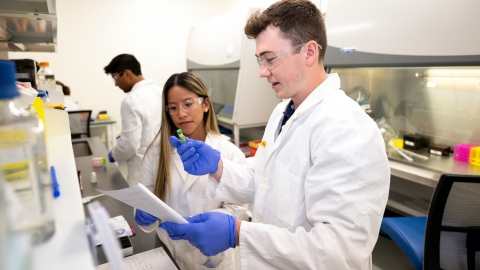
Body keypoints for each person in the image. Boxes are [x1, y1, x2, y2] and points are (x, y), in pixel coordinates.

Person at [160, 1, 391, 269]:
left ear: (309, 52)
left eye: (270, 59)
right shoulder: (284, 112)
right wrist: (219, 168)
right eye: (260, 60)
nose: (262, 72)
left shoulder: (346, 128)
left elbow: (339, 252)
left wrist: (238, 233)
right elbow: (266, 180)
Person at [134, 72, 247, 270]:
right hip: (167, 253)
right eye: (173, 108)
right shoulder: (156, 152)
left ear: (205, 104)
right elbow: (146, 196)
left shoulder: (229, 152)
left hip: (212, 258)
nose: (181, 114)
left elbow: (239, 207)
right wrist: (142, 213)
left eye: (188, 104)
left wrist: (208, 224)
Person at [104, 54, 162, 186]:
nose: (116, 84)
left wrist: (113, 154)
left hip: (143, 172)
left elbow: (129, 144)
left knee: (141, 205)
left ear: (127, 74)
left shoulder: (131, 100)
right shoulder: (161, 91)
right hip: (164, 167)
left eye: (115, 78)